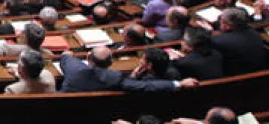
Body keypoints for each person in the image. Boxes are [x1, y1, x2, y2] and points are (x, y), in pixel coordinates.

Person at [59, 46, 197, 92]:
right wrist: (179, 83)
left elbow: (65, 57)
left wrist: (67, 55)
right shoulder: (114, 78)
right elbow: (147, 86)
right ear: (110, 63)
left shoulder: (74, 67)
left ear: (89, 57)